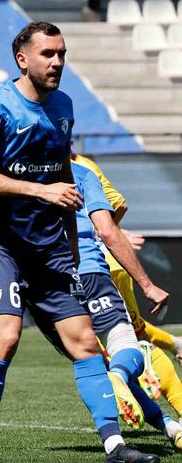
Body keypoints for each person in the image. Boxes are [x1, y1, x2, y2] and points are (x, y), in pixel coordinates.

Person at [0, 21, 155, 463]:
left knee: (85, 342)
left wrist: (68, 243)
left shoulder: (64, 105)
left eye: (62, 53)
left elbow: (63, 177)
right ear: (22, 59)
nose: (57, 62)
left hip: (50, 250)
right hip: (2, 246)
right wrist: (40, 190)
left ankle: (115, 445)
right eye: (48, 53)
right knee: (7, 338)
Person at [65, 159, 182, 450]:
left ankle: (159, 412)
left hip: (83, 265)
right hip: (105, 259)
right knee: (128, 340)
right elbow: (120, 204)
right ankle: (172, 425)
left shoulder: (34, 164)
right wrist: (109, 229)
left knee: (113, 351)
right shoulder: (84, 166)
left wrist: (104, 233)